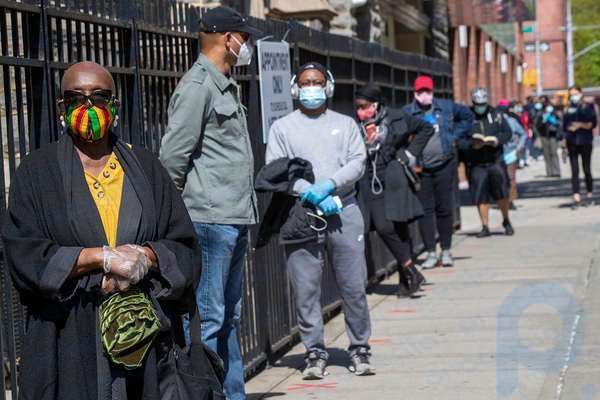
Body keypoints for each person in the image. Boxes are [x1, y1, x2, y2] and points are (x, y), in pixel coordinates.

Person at [1, 61, 223, 399]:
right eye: (76, 98)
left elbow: (184, 246)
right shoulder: (36, 173)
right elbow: (24, 255)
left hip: (144, 337)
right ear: (62, 108)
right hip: (71, 338)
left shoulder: (147, 168)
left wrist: (146, 258)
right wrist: (99, 258)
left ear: (114, 106)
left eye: (99, 97)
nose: (88, 107)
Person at [159, 7, 261, 400]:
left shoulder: (223, 83)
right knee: (209, 319)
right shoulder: (198, 86)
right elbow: (173, 159)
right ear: (226, 38)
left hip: (233, 217)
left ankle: (232, 394)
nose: (246, 45)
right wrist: (177, 220)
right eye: (244, 37)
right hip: (208, 219)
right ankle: (202, 393)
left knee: (230, 317)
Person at [266, 62, 374, 379]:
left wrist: (330, 185)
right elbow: (276, 169)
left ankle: (359, 348)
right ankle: (314, 351)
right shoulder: (282, 128)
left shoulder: (345, 123)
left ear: (326, 86)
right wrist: (309, 191)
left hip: (345, 211)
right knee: (306, 290)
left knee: (354, 286)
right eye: (305, 82)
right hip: (302, 214)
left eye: (316, 81)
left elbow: (358, 162)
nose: (311, 87)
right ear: (295, 89)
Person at [354, 83, 433, 296]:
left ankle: (407, 280)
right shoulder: (354, 124)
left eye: (366, 106)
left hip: (393, 176)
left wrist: (408, 154)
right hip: (371, 179)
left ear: (377, 105)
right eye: (359, 107)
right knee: (384, 226)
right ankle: (411, 272)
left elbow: (426, 128)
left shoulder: (396, 117)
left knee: (396, 227)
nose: (362, 111)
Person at [402, 75, 473, 269]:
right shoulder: (408, 112)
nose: (423, 95)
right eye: (419, 92)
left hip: (445, 164)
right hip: (421, 169)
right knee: (425, 211)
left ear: (432, 92)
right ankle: (431, 252)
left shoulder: (446, 107)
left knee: (444, 208)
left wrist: (453, 137)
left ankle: (447, 250)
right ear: (414, 93)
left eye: (427, 91)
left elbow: (468, 116)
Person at [462, 88, 514, 237]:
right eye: (477, 104)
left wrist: (497, 140)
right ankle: (485, 225)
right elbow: (460, 138)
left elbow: (507, 132)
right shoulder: (467, 117)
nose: (480, 106)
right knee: (480, 195)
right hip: (477, 162)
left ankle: (506, 220)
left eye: (483, 103)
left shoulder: (496, 114)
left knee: (501, 192)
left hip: (495, 159)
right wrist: (472, 145)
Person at [562, 86, 598, 209]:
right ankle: (576, 196)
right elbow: (564, 126)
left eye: (575, 93)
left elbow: (592, 124)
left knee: (586, 169)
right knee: (574, 171)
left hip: (585, 141)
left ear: (581, 93)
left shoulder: (588, 107)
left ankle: (589, 194)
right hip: (572, 142)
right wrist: (564, 138)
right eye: (571, 94)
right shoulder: (567, 109)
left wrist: (579, 125)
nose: (573, 96)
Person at [497, 99, 526, 208]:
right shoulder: (495, 122)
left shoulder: (512, 121)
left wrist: (519, 147)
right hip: (498, 153)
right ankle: (501, 199)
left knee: (511, 177)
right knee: (499, 178)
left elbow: (523, 134)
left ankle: (511, 200)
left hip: (510, 152)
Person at [534, 95, 562, 177]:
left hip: (552, 134)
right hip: (543, 135)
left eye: (544, 101)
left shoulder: (553, 110)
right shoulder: (539, 112)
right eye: (541, 101)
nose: (543, 103)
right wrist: (542, 121)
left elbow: (559, 122)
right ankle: (549, 172)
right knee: (546, 154)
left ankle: (557, 171)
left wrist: (554, 121)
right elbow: (536, 124)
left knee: (553, 153)